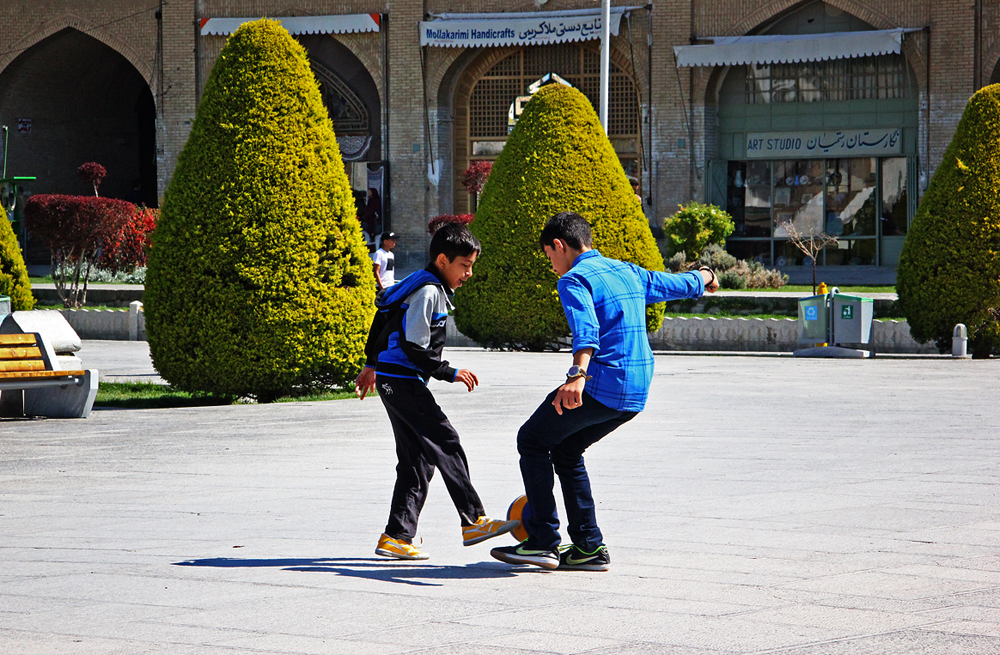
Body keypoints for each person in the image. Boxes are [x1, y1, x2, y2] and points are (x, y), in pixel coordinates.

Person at [490, 211, 719, 571]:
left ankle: (543, 541)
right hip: (636, 389)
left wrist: (577, 374)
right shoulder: (626, 271)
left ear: (559, 245)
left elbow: (586, 330)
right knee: (565, 451)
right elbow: (672, 284)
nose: (551, 265)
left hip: (601, 382)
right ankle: (588, 547)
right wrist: (703, 276)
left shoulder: (574, 280)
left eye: (549, 256)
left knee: (532, 440)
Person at [355, 222, 519, 560]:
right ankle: (473, 519)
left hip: (391, 378)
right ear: (443, 260)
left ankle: (397, 536)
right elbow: (415, 346)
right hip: (402, 380)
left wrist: (371, 363)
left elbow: (382, 317)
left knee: (417, 459)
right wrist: (449, 372)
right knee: (446, 442)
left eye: (472, 266)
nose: (469, 273)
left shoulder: (416, 282)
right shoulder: (429, 291)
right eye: (465, 265)